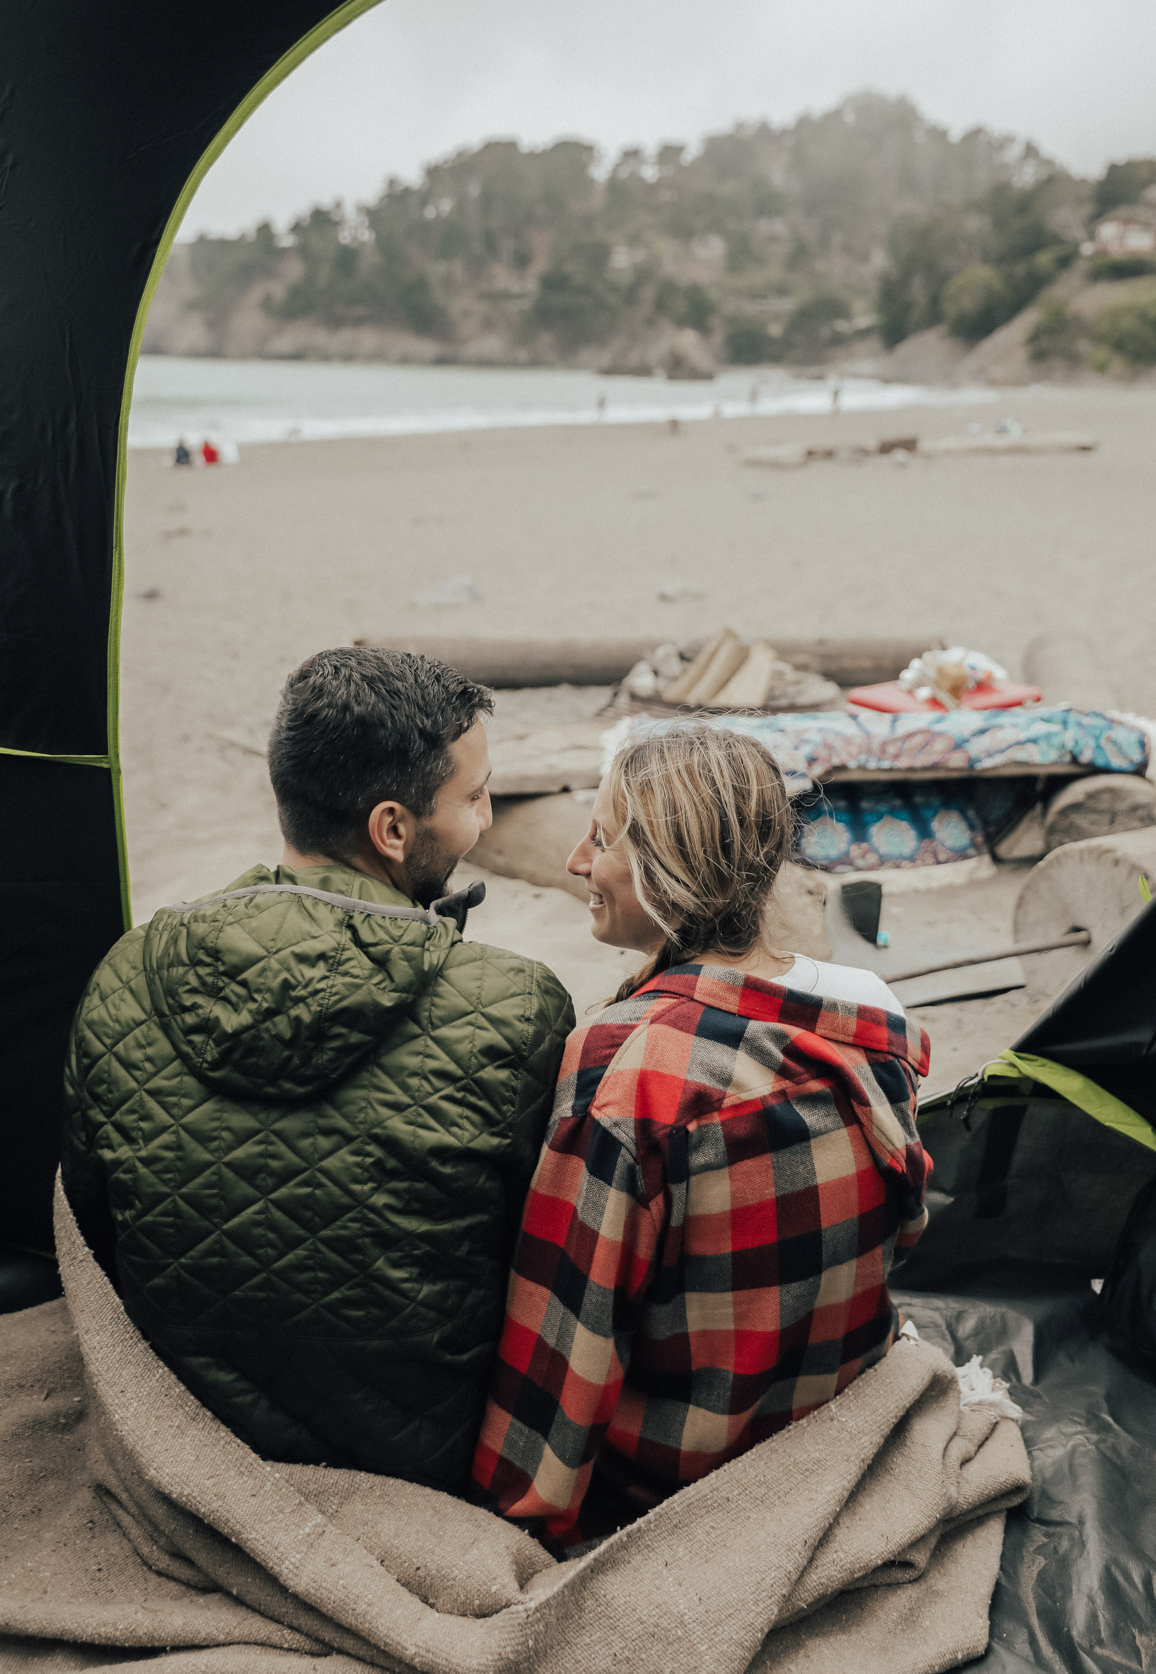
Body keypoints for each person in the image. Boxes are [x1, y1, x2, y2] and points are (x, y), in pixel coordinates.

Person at [62, 647, 574, 1493]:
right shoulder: (515, 1005)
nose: (485, 821)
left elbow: (93, 1229)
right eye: (475, 798)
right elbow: (540, 1265)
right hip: (418, 1463)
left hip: (186, 1446)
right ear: (392, 829)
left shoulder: (127, 971)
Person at [471, 724, 931, 1546]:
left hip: (681, 1479)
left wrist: (514, 1521)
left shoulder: (633, 1068)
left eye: (602, 837)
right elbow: (907, 1228)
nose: (576, 860)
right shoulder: (870, 1016)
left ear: (667, 871)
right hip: (832, 1427)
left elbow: (572, 1332)